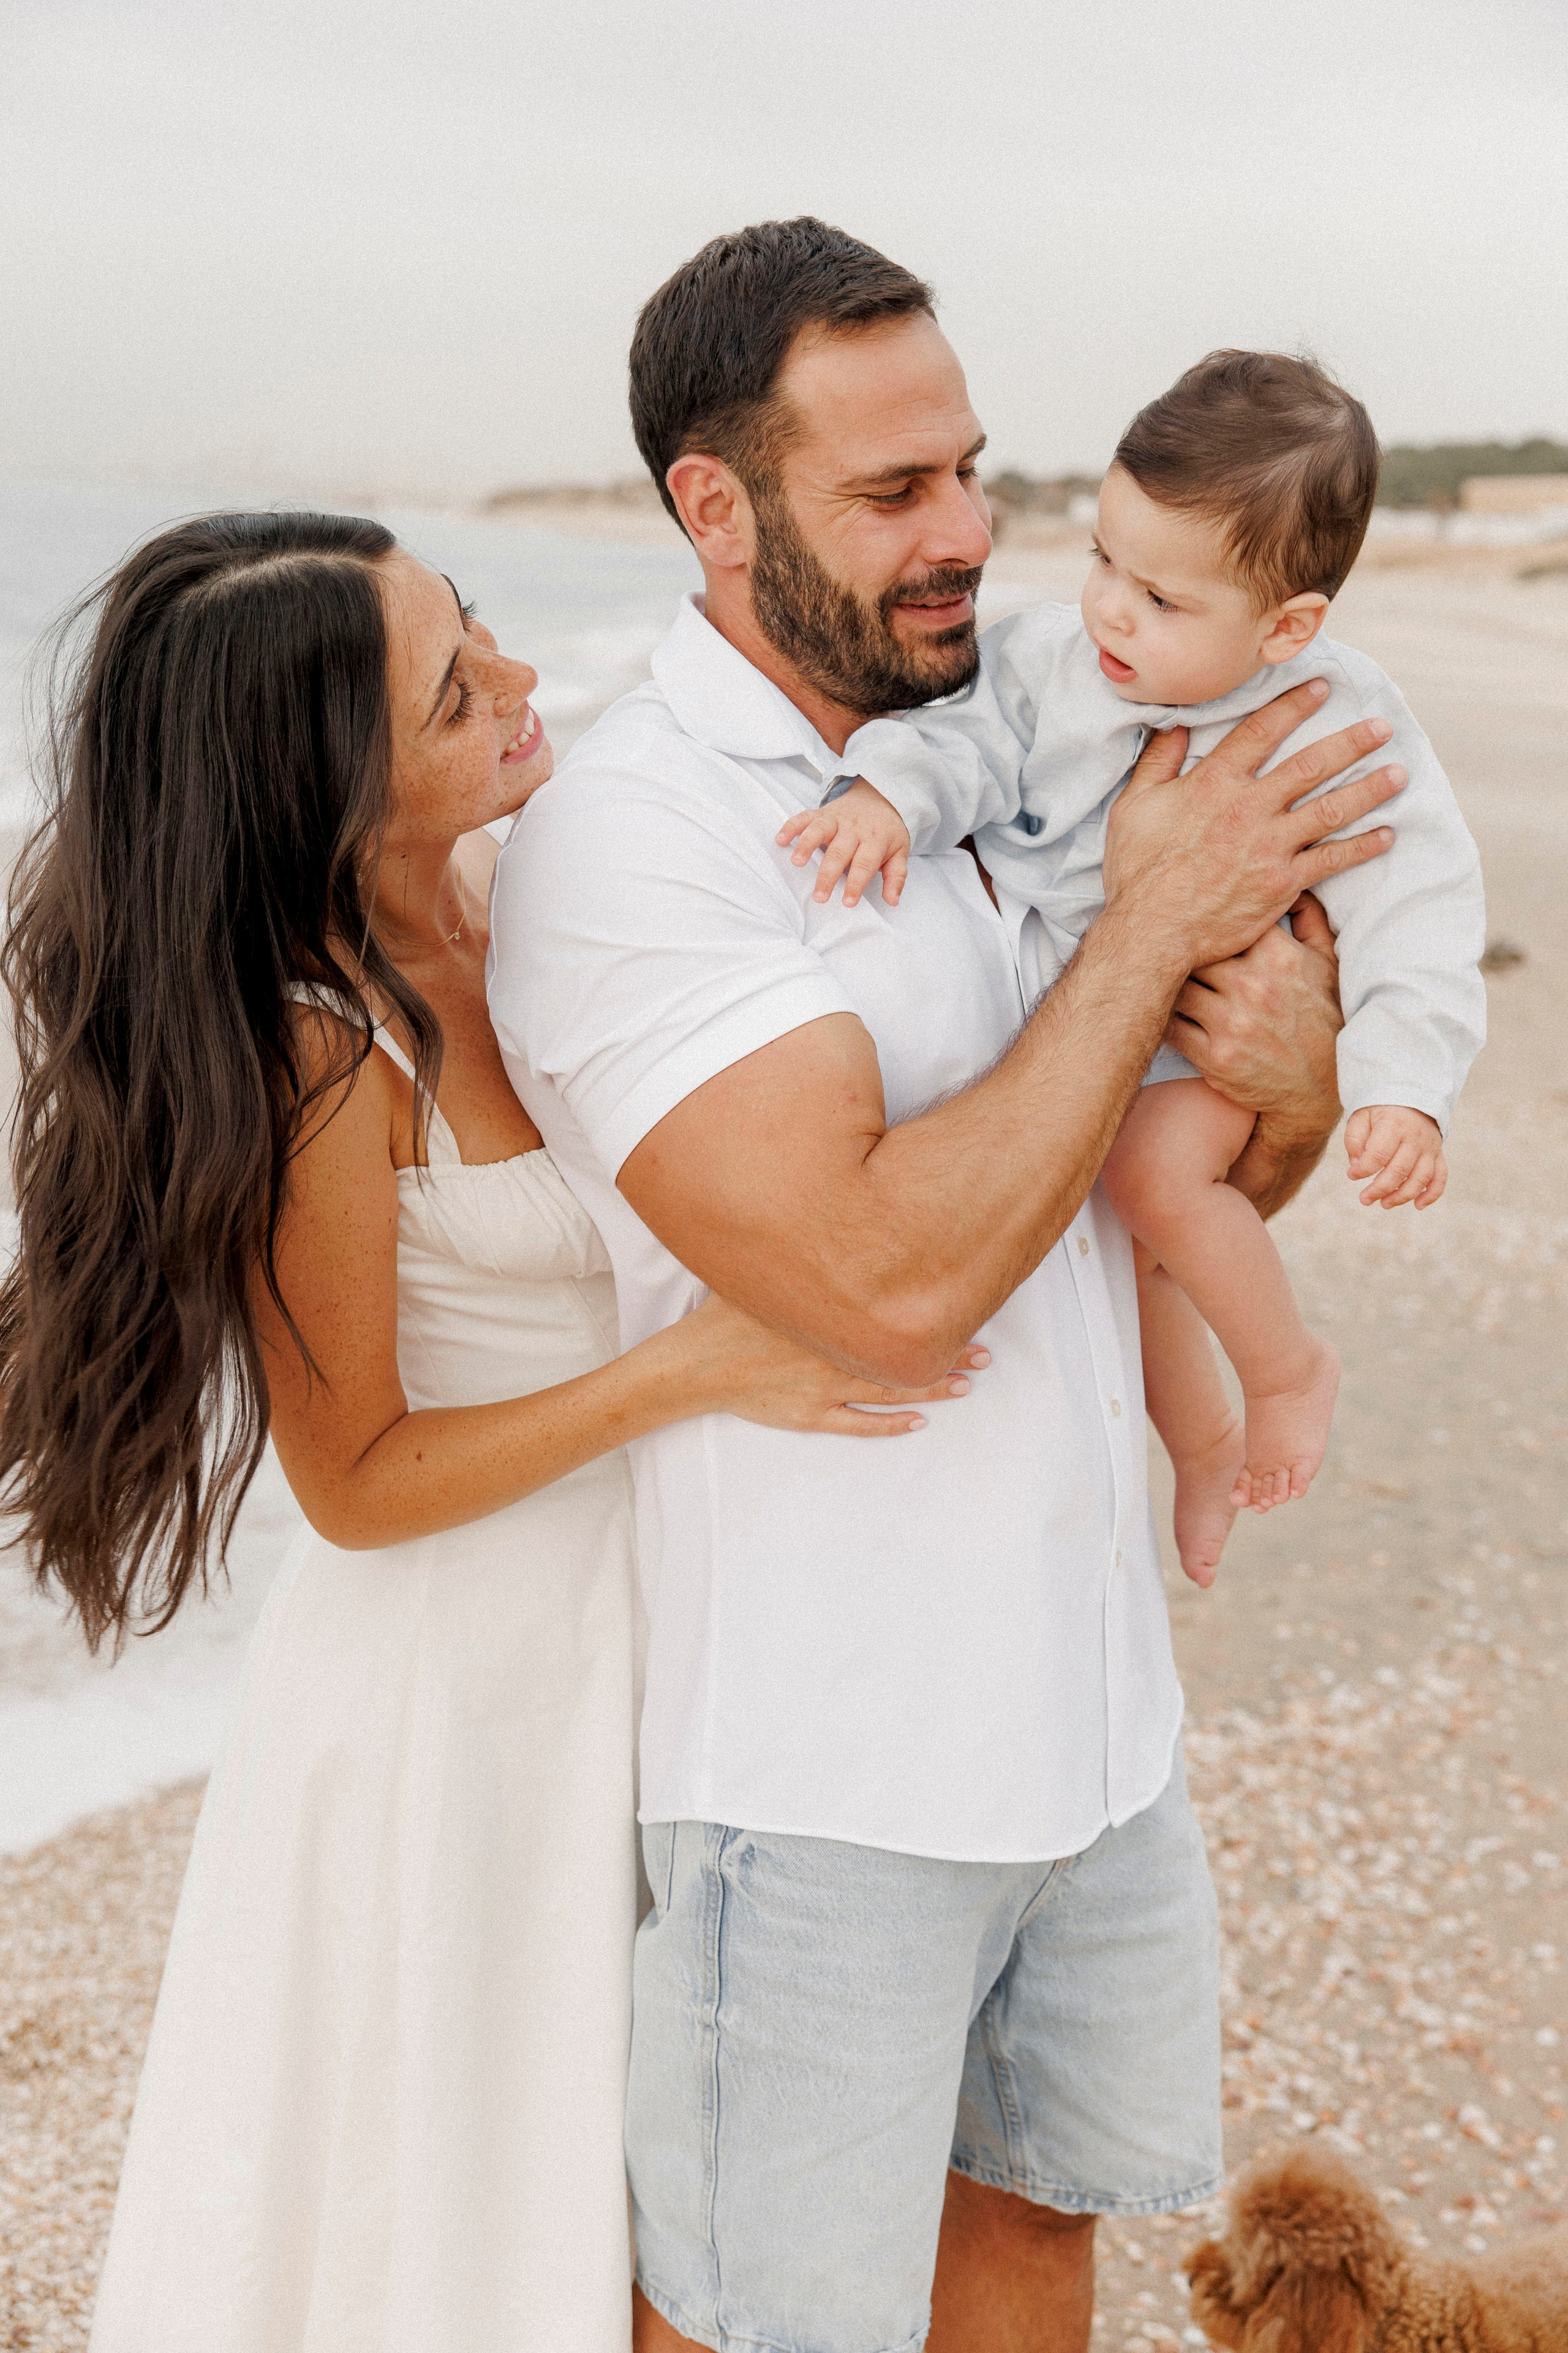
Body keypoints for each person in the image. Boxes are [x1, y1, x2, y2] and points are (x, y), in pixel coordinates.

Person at [488, 220, 1408, 2353]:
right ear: (711, 506)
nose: (970, 537)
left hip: (1091, 1726)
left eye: (976, 472)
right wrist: (1147, 923)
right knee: (760, 2326)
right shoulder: (642, 838)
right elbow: (885, 1279)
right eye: (895, 492)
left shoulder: (1007, 727)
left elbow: (1190, 1155)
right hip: (828, 1771)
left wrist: (1293, 1075)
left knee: (1034, 2243)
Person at [0, 510, 980, 2353]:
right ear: (332, 788)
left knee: (648, 2172)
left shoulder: (531, 886)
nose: (525, 682)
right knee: (452, 2196)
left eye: (485, 629)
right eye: (458, 691)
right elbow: (355, 1483)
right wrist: (692, 1372)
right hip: (461, 1697)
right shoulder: (317, 1054)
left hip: (647, 1621)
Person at [781, 349, 1486, 1582]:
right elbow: (961, 741)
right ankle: (1201, 1444)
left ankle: (1283, 1372)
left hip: (1213, 1019)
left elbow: (1415, 905)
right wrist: (885, 798)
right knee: (1127, 1221)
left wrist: (1395, 1085)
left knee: (1155, 1184)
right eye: (1104, 559)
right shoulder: (1050, 664)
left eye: (1161, 601)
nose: (1108, 608)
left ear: (1285, 628)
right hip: (1089, 1018)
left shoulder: (1341, 720)